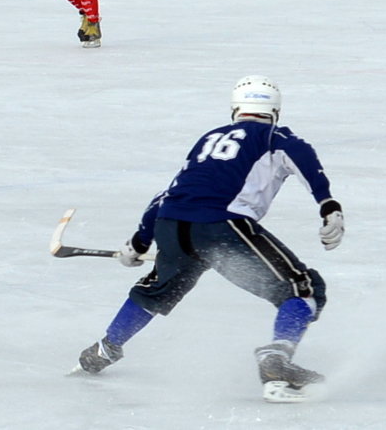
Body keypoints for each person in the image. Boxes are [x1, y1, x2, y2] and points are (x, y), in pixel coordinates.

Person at [74, 75, 345, 403]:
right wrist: (327, 204)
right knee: (303, 288)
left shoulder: (208, 139)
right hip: (222, 224)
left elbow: (169, 193)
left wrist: (140, 241)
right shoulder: (274, 135)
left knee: (156, 290)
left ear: (235, 109)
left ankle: (104, 349)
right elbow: (302, 157)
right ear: (275, 111)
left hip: (171, 223)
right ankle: (277, 360)